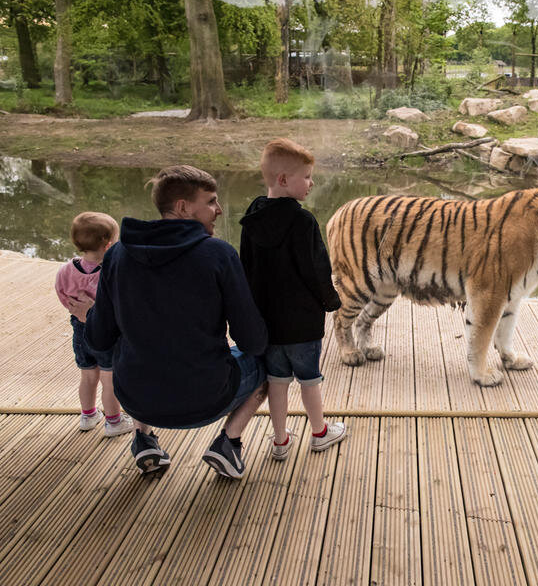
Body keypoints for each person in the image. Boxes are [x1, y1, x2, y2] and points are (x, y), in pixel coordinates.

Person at [85, 165, 268, 479]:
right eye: (210, 201)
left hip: (136, 399)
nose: (219, 209)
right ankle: (229, 442)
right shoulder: (219, 254)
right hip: (208, 399)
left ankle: (143, 439)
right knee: (268, 363)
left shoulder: (117, 255)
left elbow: (98, 339)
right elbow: (252, 340)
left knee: (126, 346)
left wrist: (89, 314)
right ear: (183, 207)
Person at [240, 138, 346, 460]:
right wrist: (331, 301)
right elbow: (317, 269)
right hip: (302, 325)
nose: (311, 183)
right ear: (284, 179)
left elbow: (245, 268)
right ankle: (320, 433)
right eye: (308, 177)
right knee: (310, 381)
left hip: (268, 325)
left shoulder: (252, 217)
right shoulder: (303, 221)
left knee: (277, 383)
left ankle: (280, 441)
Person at [55, 212, 134, 437]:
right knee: (109, 379)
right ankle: (114, 422)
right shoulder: (110, 271)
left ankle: (88, 416)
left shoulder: (66, 270)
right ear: (108, 245)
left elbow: (62, 294)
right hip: (105, 333)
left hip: (79, 330)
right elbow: (118, 303)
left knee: (88, 376)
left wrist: (77, 313)